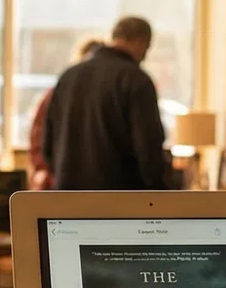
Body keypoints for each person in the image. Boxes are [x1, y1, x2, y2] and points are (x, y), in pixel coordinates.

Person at [43, 15, 174, 191]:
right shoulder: (136, 80)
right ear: (141, 42)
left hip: (69, 197)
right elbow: (148, 148)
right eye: (147, 48)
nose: (145, 56)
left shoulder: (69, 76)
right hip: (118, 202)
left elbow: (48, 144)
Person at [26, 36, 107, 190]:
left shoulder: (102, 98)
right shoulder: (58, 94)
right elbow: (38, 140)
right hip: (60, 181)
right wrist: (50, 172)